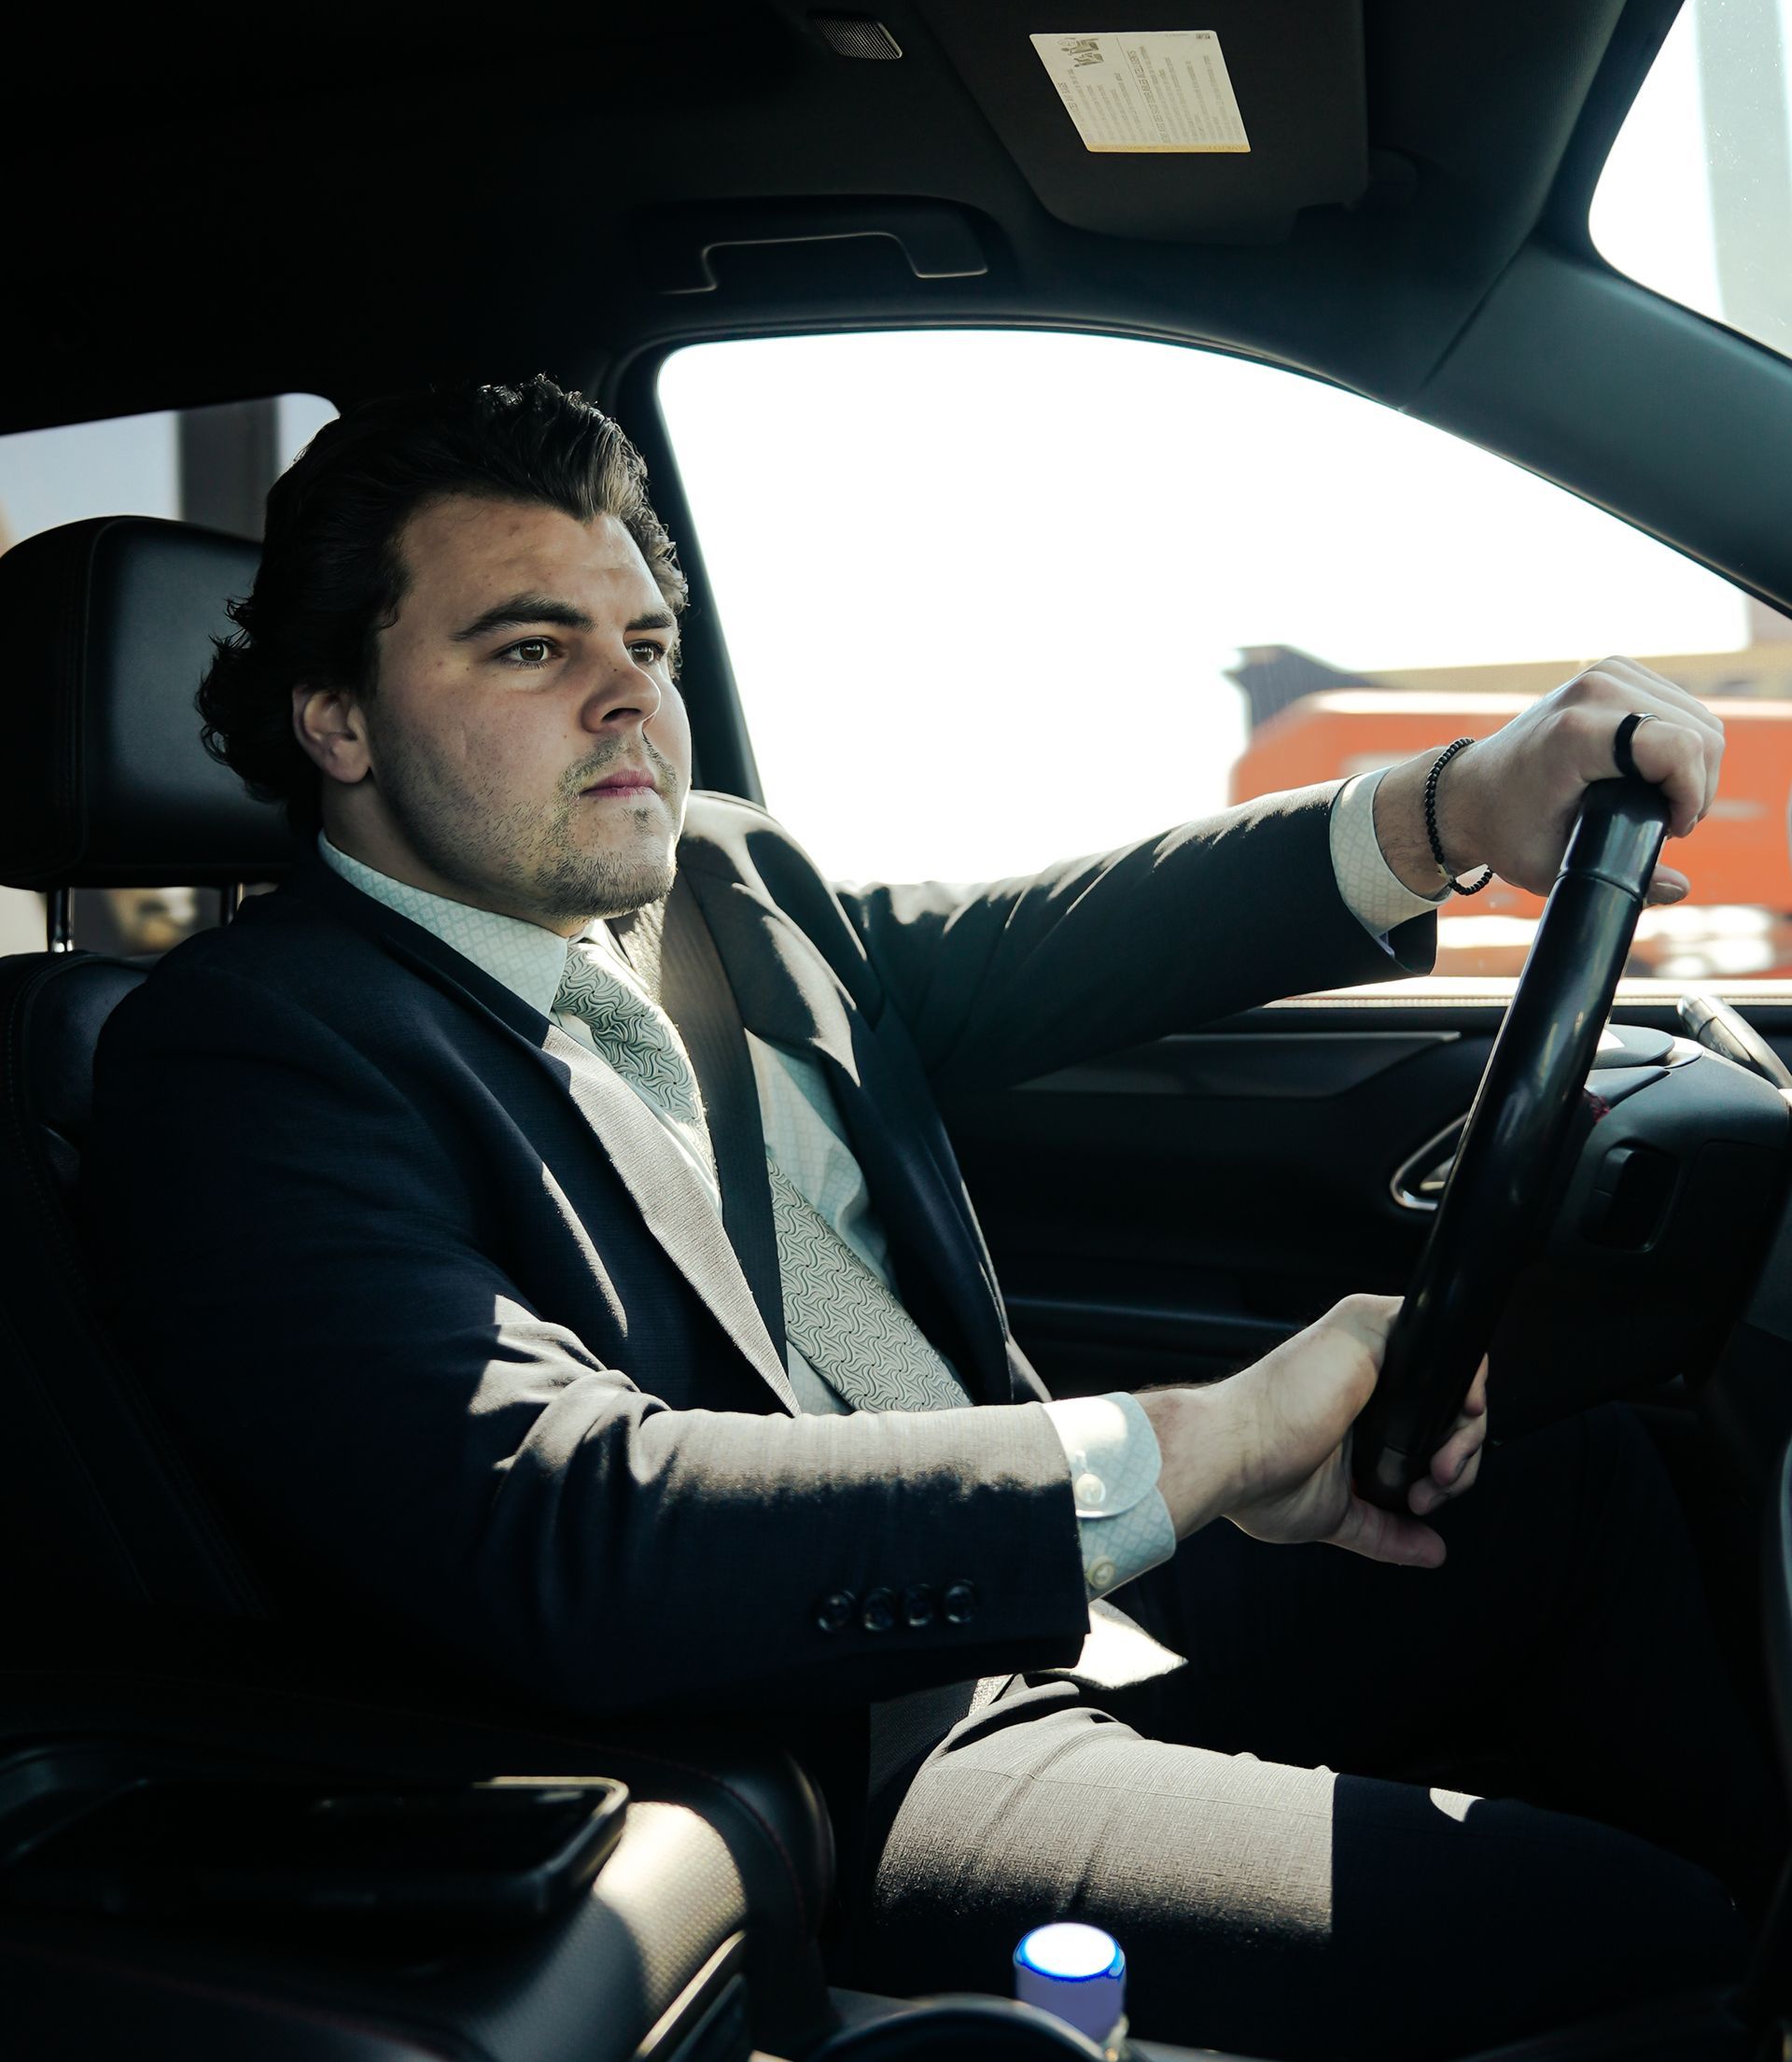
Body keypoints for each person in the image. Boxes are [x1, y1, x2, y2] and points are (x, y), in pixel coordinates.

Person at [85, 378, 1778, 2059]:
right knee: (1626, 1948)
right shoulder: (254, 1054)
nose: (629, 702)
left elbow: (1065, 939)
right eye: (532, 649)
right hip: (834, 1742)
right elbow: (568, 1525)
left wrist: (1454, 811)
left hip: (1046, 1600)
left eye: (650, 647)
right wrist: (1207, 1446)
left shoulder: (724, 886)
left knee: (1582, 1480)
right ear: (339, 720)